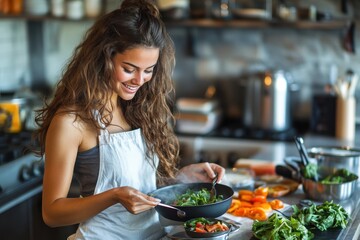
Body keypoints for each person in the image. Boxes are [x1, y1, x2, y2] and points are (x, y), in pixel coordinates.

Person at [33, 0, 225, 239]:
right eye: (129, 68)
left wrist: (181, 178)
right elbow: (52, 213)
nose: (139, 80)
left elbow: (139, 185)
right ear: (104, 57)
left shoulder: (138, 109)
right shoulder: (72, 122)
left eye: (148, 70)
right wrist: (113, 196)